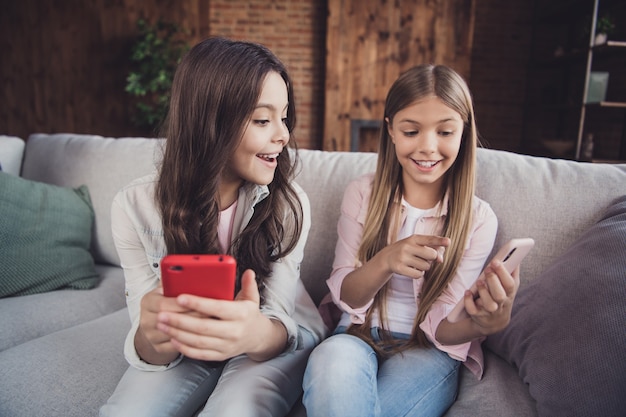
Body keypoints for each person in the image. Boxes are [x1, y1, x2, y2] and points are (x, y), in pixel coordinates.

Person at [100, 37, 326, 417]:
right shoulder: (134, 207)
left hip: (270, 338)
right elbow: (148, 341)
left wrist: (253, 332)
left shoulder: (289, 205)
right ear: (209, 123)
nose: (283, 135)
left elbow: (279, 319)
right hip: (189, 345)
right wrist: (154, 335)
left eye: (284, 117)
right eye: (263, 120)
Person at [302, 64, 520, 417]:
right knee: (332, 363)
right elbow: (347, 296)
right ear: (390, 130)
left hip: (426, 349)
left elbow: (444, 328)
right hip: (355, 335)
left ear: (464, 132)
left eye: (445, 131)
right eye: (411, 130)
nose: (428, 147)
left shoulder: (478, 219)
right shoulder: (362, 193)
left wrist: (484, 324)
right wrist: (386, 260)